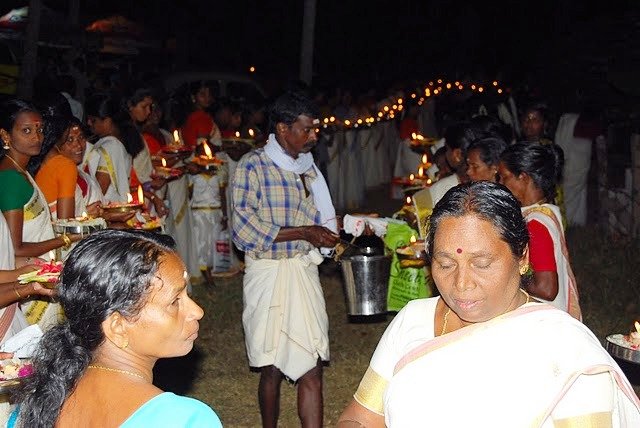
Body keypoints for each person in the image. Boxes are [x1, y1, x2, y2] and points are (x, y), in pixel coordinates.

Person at [338, 181, 640, 427]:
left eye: (481, 264)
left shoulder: (567, 351)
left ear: (522, 258)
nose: (462, 283)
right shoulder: (413, 319)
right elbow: (359, 417)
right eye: (445, 264)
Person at [13, 229, 222, 428]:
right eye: (175, 301)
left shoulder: (37, 403)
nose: (197, 311)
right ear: (118, 327)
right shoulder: (184, 420)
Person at [232, 91, 340, 427]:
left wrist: (333, 232)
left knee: (312, 367)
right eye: (306, 129)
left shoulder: (308, 169)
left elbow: (323, 217)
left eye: (315, 129)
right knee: (272, 368)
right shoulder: (252, 166)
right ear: (282, 128)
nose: (314, 136)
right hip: (268, 272)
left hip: (301, 272)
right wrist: (304, 232)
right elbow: (244, 229)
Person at [498, 143, 581, 319]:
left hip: (544, 318)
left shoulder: (535, 224)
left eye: (504, 177)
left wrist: (506, 278)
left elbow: (547, 288)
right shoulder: (546, 211)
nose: (500, 183)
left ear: (523, 177)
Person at [181, 83, 221, 150]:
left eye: (209, 94)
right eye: (203, 94)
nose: (207, 98)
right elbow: (202, 146)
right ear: (193, 97)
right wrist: (221, 148)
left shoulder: (202, 115)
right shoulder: (198, 117)